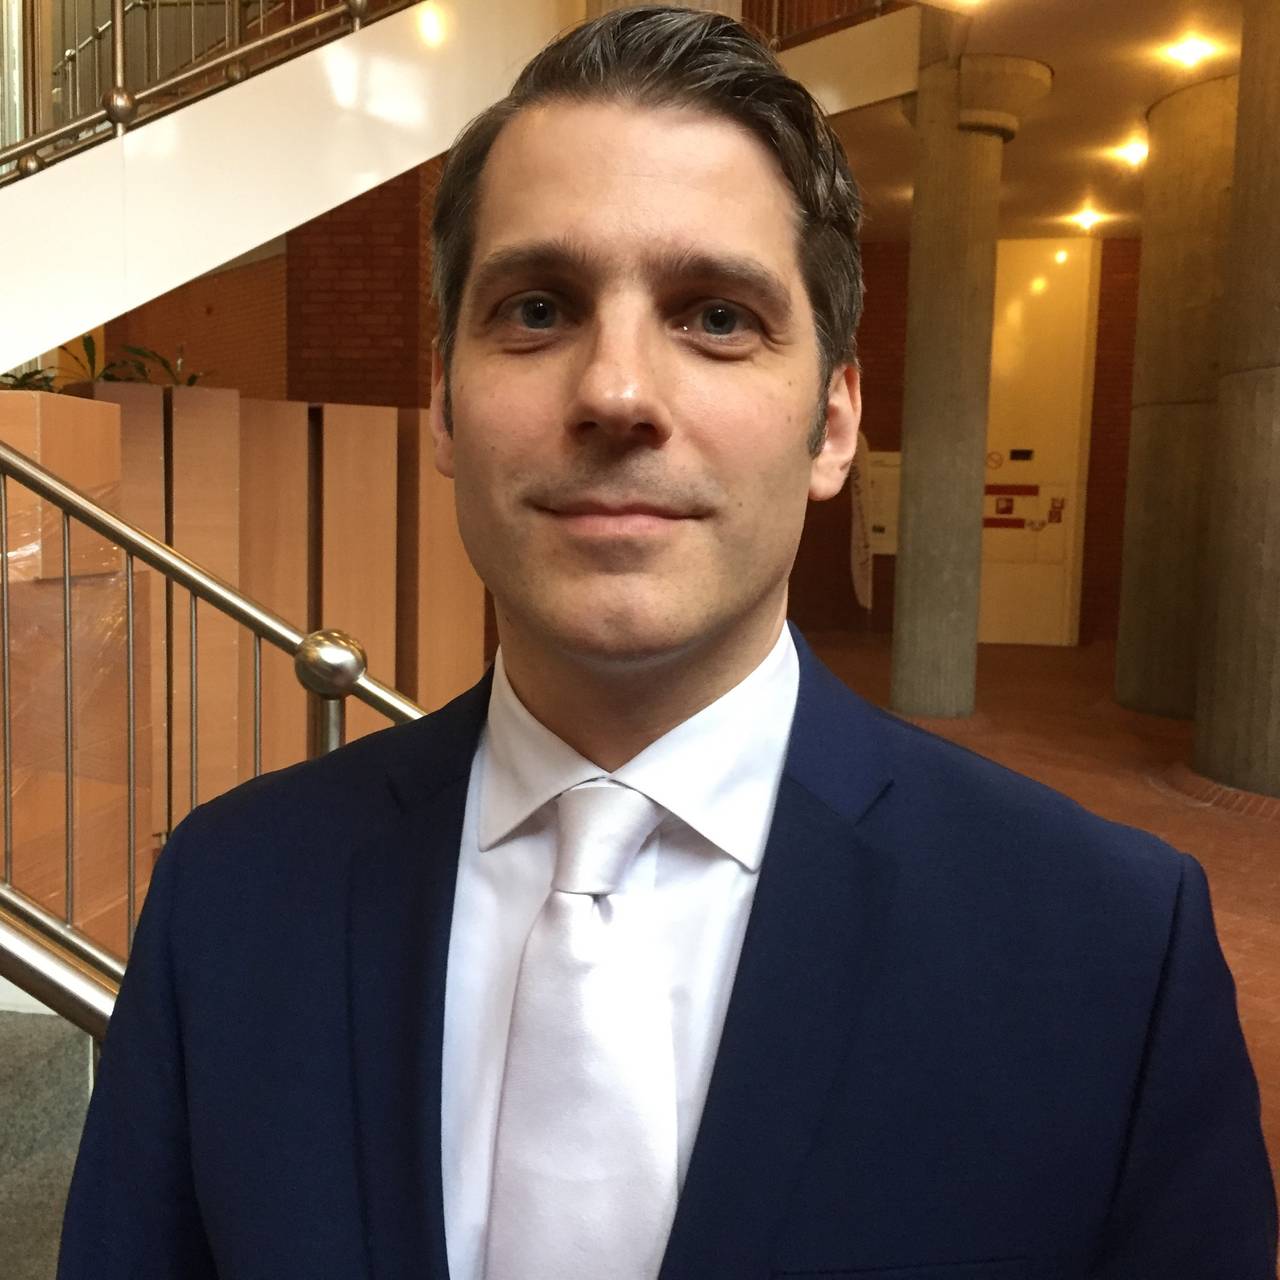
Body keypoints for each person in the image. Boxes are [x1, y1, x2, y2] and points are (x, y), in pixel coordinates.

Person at [59, 7, 1276, 1279]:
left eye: (716, 317)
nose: (616, 392)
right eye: (537, 308)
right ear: (444, 408)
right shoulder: (229, 896)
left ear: (831, 423)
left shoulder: (1106, 948)